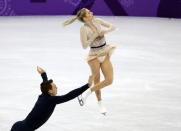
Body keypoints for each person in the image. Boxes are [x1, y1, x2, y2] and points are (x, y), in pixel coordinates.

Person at [63, 8, 116, 115]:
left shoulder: (98, 21)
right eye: (88, 12)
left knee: (109, 80)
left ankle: (87, 93)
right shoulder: (83, 29)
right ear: (85, 17)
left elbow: (113, 27)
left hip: (104, 51)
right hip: (94, 55)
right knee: (97, 80)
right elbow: (84, 46)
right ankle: (100, 104)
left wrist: (104, 31)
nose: (91, 12)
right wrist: (94, 35)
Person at [10, 66, 92, 131]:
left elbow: (45, 83)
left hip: (18, 125)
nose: (57, 87)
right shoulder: (51, 100)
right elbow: (68, 96)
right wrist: (87, 85)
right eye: (55, 87)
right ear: (50, 91)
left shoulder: (43, 95)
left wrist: (43, 74)